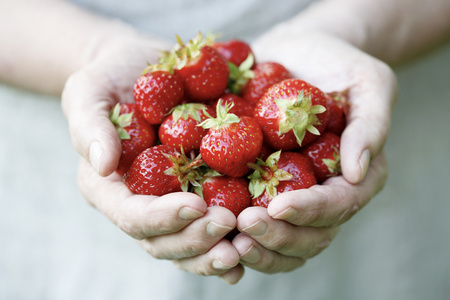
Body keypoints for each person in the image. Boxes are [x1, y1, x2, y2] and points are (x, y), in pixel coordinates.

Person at [1, 0, 449, 289]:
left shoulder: (257, 116)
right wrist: (93, 50)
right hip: (48, 56)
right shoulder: (213, 128)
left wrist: (352, 29)